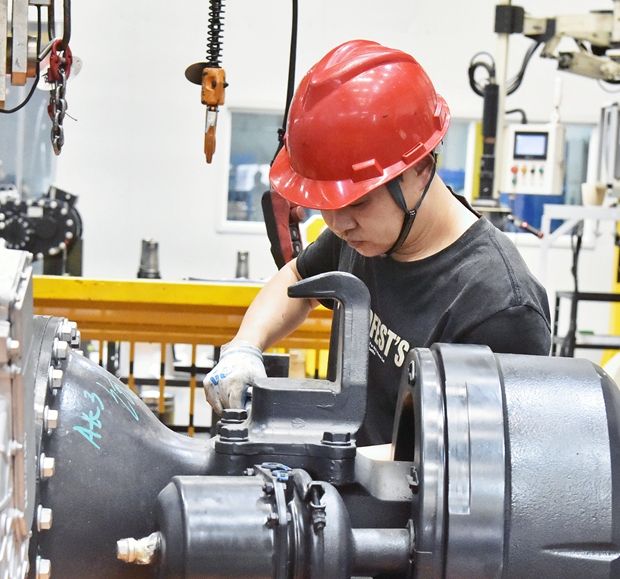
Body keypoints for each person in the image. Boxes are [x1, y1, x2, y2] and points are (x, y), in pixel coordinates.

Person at [205, 41, 552, 447]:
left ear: (420, 167)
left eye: (357, 202)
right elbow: (295, 279)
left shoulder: (499, 306)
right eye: (327, 206)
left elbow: (481, 466)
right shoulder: (364, 234)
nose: (337, 223)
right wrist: (244, 347)